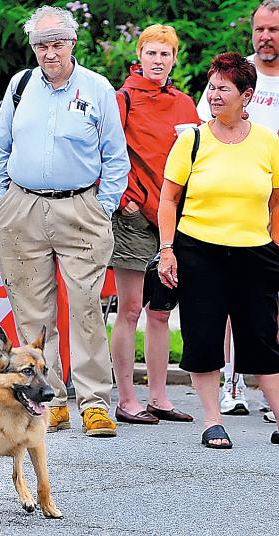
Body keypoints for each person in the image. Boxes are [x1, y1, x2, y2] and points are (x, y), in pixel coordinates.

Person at [0, 5, 130, 437]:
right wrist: (0, 202)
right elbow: (0, 148)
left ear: (72, 43)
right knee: (32, 313)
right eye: (41, 45)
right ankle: (48, 399)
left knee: (86, 305)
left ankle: (95, 402)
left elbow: (115, 157)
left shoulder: (98, 88)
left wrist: (102, 206)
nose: (49, 53)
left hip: (80, 206)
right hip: (22, 207)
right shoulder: (20, 85)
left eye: (57, 44)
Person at [158, 52, 279, 448]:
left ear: (246, 96)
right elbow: (169, 199)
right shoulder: (192, 139)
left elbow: (275, 198)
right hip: (199, 250)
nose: (213, 95)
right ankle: (212, 421)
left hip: (255, 252)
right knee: (204, 335)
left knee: (262, 337)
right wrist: (167, 249)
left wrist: (271, 240)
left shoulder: (267, 142)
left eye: (222, 89)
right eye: (211, 87)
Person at [110, 25, 199, 426]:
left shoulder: (184, 104)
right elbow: (106, 152)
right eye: (151, 53)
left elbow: (200, 154)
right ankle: (127, 399)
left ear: (174, 59)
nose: (158, 61)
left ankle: (159, 397)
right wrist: (126, 198)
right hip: (133, 215)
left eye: (165, 54)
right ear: (139, 55)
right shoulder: (123, 98)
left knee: (161, 311)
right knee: (129, 310)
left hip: (173, 218)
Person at [197, 0, 279, 422]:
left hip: (274, 199)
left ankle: (273, 392)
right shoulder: (233, 77)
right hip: (238, 210)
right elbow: (202, 134)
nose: (266, 37)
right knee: (231, 302)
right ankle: (233, 383)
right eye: (260, 29)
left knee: (268, 307)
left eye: (275, 30)